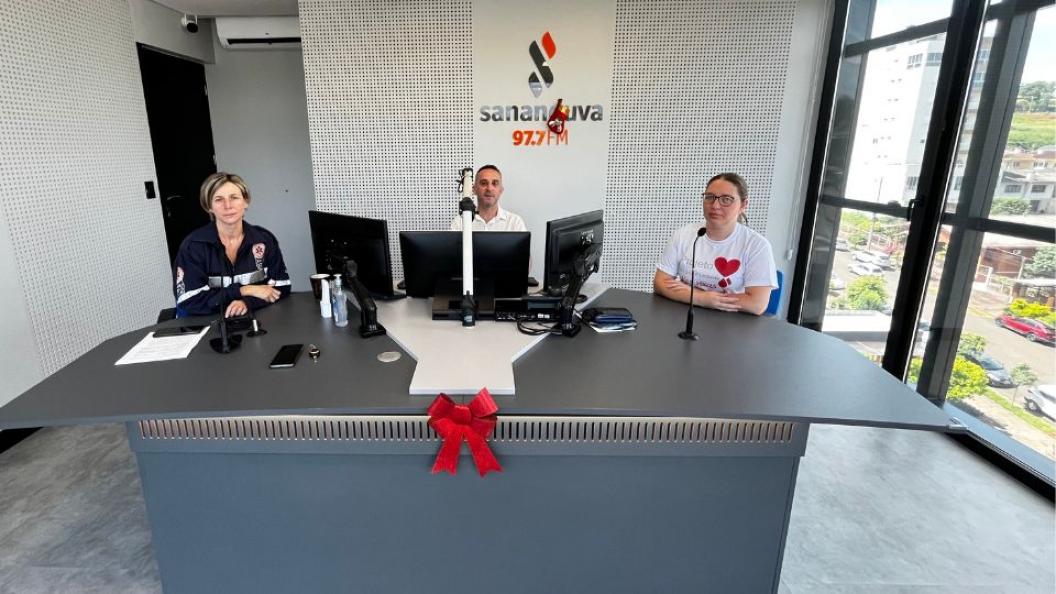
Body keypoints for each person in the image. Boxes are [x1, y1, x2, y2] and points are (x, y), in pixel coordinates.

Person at [654, 172, 777, 316]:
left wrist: (695, 295)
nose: (715, 205)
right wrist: (700, 298)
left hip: (732, 320)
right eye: (710, 197)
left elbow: (756, 304)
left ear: (743, 205)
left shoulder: (757, 245)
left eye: (726, 199)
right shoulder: (685, 234)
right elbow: (660, 283)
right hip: (684, 313)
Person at [173, 172, 292, 318]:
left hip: (251, 320)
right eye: (219, 199)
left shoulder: (264, 240)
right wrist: (244, 290)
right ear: (209, 206)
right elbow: (190, 301)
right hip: (204, 324)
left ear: (246, 202)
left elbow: (281, 287)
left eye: (234, 198)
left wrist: (247, 303)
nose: (228, 206)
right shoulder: (193, 247)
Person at [449, 165, 528, 232]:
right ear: (474, 189)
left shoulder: (515, 223)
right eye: (483, 183)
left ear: (501, 190)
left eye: (495, 183)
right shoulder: (460, 222)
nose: (489, 188)